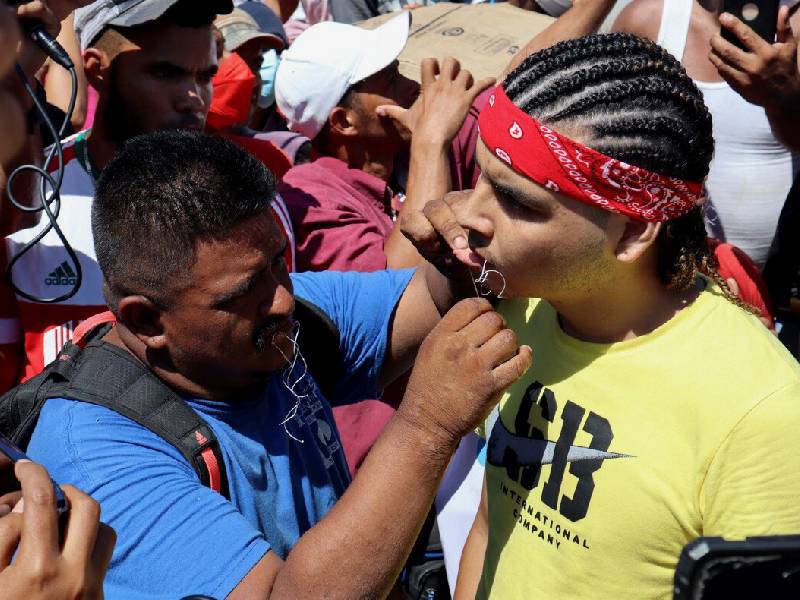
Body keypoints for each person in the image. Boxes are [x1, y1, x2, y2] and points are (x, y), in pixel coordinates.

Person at [25, 129, 531, 598]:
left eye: (278, 262)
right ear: (147, 321)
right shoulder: (99, 457)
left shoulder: (272, 322)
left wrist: (462, 247)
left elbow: (432, 298)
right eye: (245, 291)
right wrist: (428, 425)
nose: (283, 299)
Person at [392, 32, 800, 599]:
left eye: (518, 202)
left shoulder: (764, 415)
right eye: (482, 177)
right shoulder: (521, 307)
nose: (470, 213)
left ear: (632, 232)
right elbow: (491, 523)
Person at [0, 0, 295, 394]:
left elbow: (275, 359)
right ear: (96, 69)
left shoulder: (251, 199)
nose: (193, 97)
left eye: (205, 76)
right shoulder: (31, 191)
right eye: (164, 74)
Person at [612, 0, 800, 269]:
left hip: (774, 279)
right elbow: (607, 140)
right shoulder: (648, 18)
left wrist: (785, 99)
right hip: (655, 269)